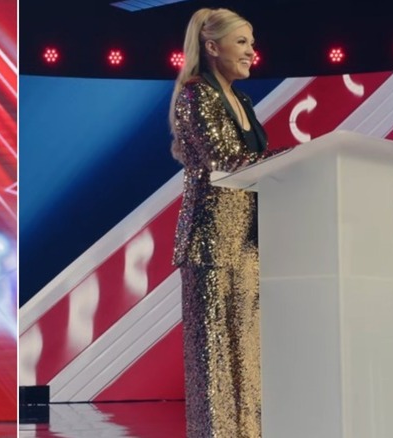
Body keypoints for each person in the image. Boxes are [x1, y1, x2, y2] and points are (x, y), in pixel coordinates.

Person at [169, 8, 271, 438]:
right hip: (209, 243)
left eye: (251, 43)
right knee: (215, 362)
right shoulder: (197, 95)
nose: (251, 51)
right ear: (212, 47)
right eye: (242, 42)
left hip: (248, 242)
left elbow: (255, 160)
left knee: (248, 356)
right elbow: (226, 159)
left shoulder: (242, 100)